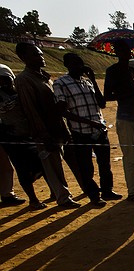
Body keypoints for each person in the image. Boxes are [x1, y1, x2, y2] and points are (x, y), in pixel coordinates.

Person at [14, 42, 80, 208]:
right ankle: (63, 197)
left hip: (59, 127)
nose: (41, 57)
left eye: (41, 54)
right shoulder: (23, 80)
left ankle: (64, 190)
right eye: (36, 54)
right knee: (52, 166)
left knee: (67, 160)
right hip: (45, 131)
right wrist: (43, 134)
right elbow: (30, 110)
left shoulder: (45, 78)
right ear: (24, 58)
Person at [54, 53, 122, 206]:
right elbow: (63, 111)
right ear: (67, 65)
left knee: (104, 164)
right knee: (86, 166)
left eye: (81, 63)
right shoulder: (61, 83)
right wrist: (90, 123)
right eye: (75, 64)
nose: (79, 67)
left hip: (99, 130)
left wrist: (92, 79)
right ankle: (93, 195)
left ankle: (107, 190)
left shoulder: (87, 82)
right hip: (80, 132)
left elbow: (102, 103)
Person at [104, 40, 134, 203]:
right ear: (117, 53)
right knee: (130, 157)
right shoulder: (113, 71)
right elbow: (107, 96)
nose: (126, 53)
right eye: (122, 50)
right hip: (125, 118)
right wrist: (130, 91)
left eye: (128, 50)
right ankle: (132, 192)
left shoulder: (132, 71)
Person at [0, 64, 46, 208]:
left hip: (23, 136)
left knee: (37, 163)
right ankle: (11, 195)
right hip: (8, 138)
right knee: (8, 167)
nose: (3, 83)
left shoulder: (18, 92)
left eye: (6, 79)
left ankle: (9, 193)